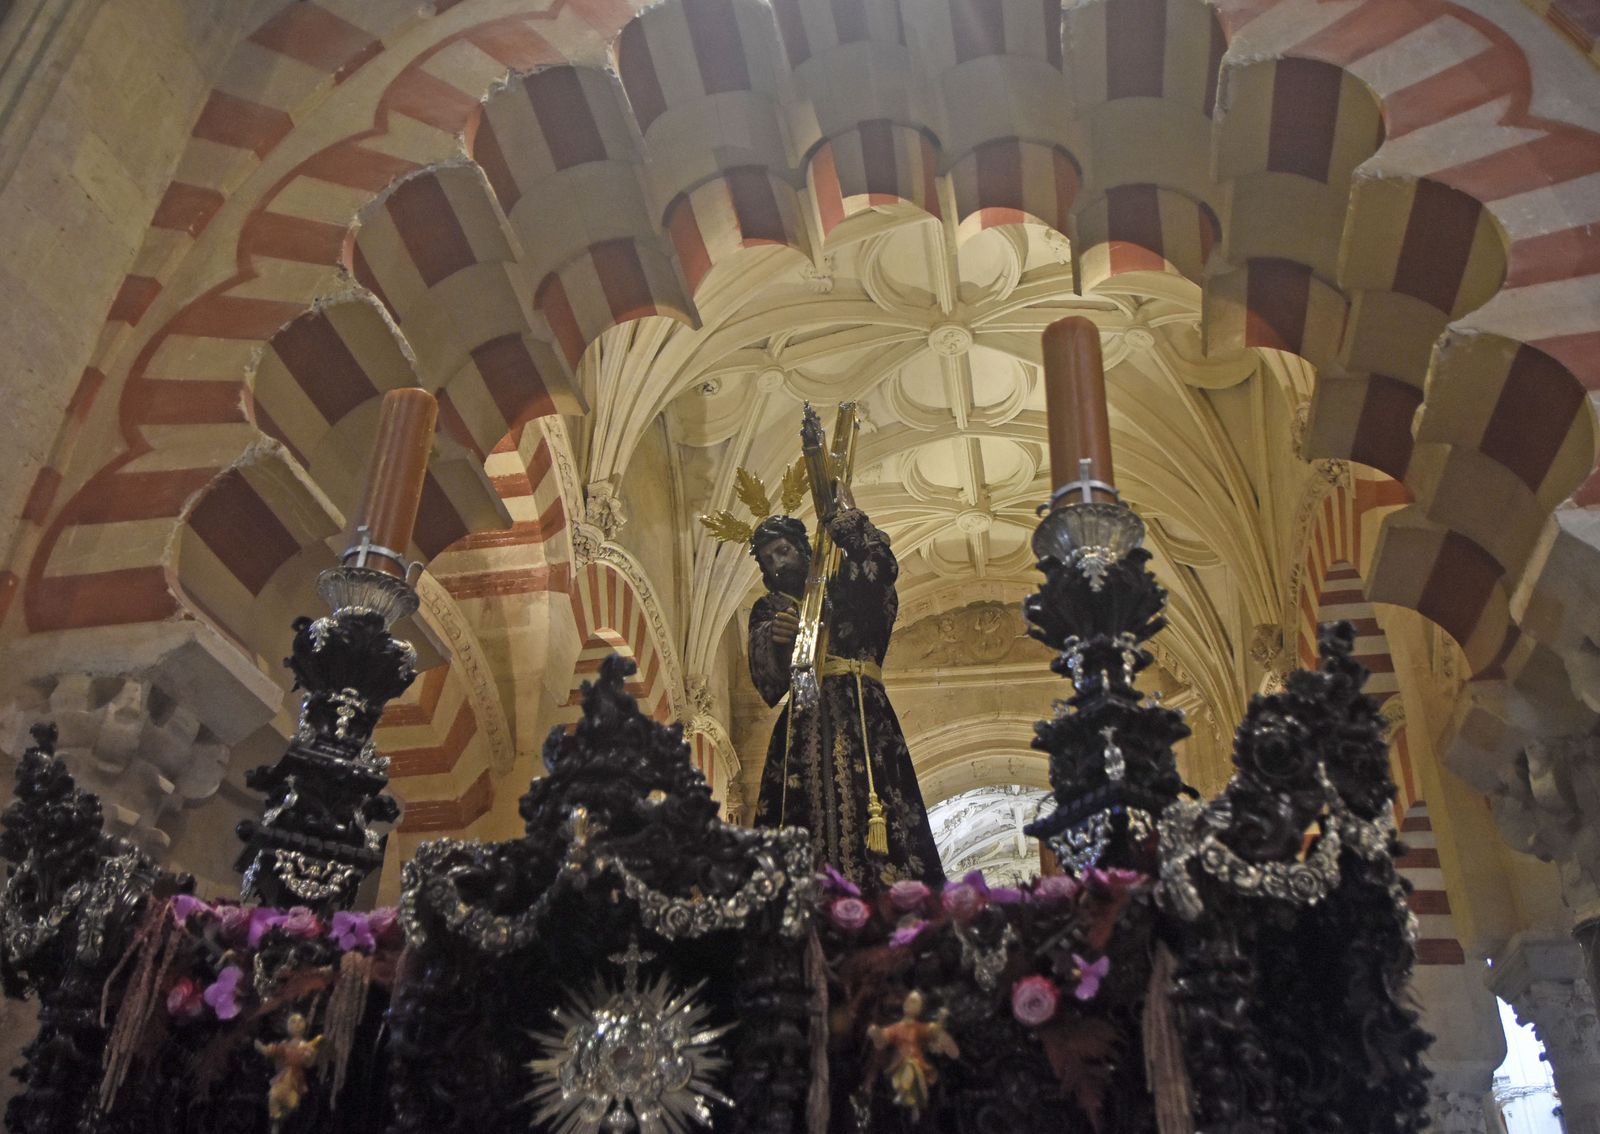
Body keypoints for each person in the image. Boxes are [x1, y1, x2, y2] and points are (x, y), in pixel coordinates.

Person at [748, 489, 943, 888]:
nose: (778, 563)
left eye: (783, 550)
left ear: (804, 549)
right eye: (769, 558)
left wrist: (849, 522)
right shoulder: (772, 607)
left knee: (876, 801)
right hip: (805, 717)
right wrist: (778, 640)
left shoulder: (848, 588)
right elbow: (765, 679)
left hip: (862, 711)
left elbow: (881, 572)